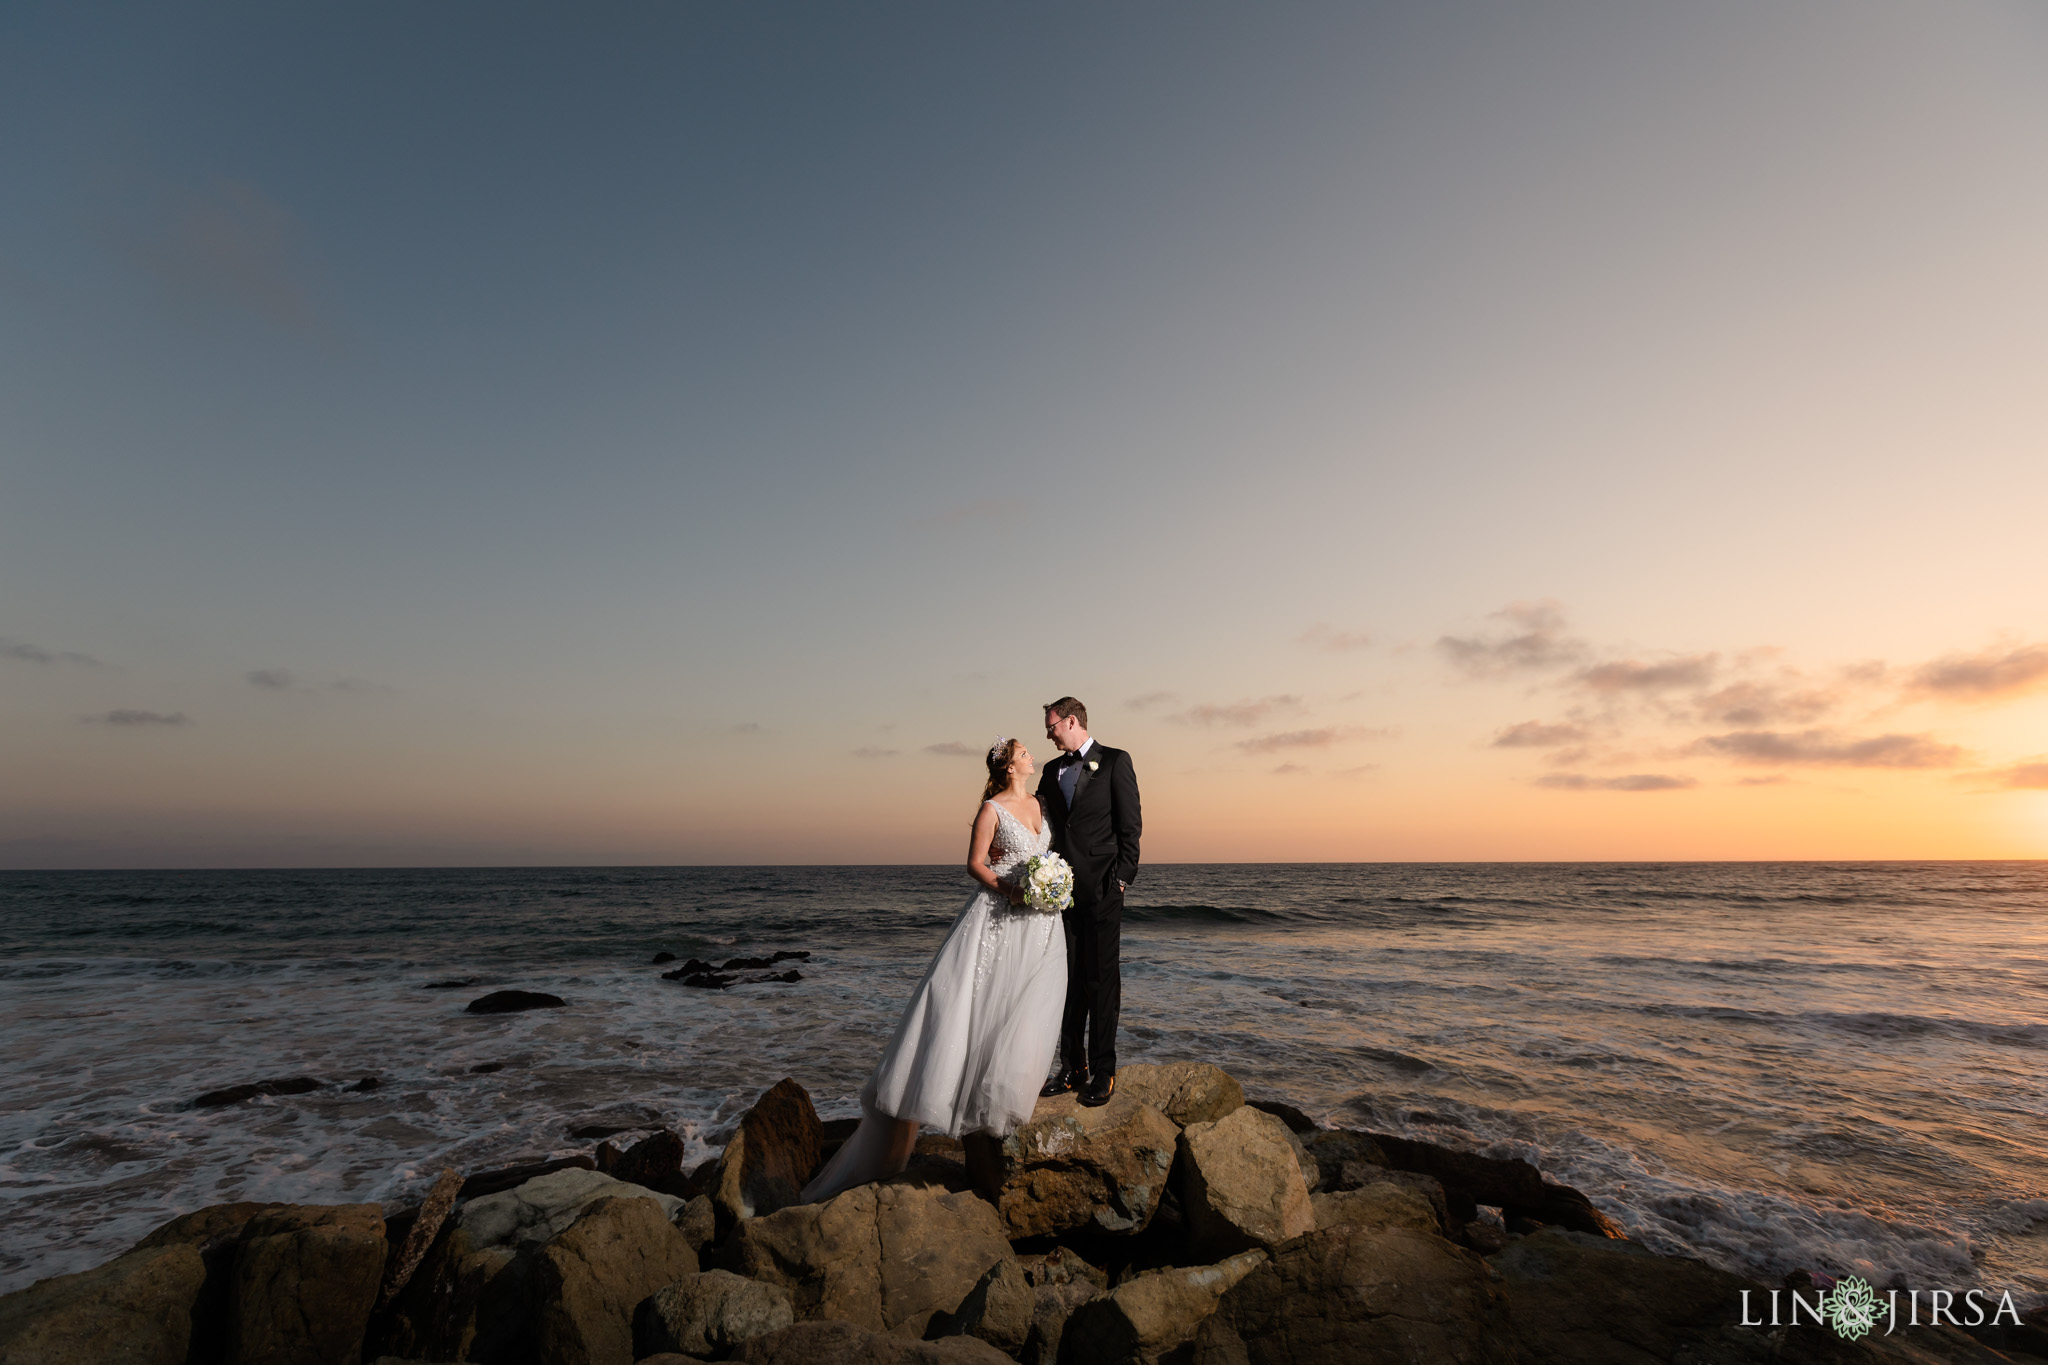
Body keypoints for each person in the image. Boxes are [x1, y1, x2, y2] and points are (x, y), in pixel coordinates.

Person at [800, 736, 1069, 1203]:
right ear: (1008, 766)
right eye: (1023, 752)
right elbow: (974, 865)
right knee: (981, 1003)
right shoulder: (992, 809)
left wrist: (1052, 884)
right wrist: (1013, 890)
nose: (1030, 756)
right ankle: (973, 1100)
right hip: (1002, 918)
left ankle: (1012, 1086)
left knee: (1031, 1002)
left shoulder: (1041, 804)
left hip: (1043, 925)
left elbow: (1043, 857)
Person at [1036, 696, 1142, 1107]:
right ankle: (1072, 1066)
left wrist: (1121, 880)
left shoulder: (1115, 761)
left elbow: (1130, 827)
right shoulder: (1049, 771)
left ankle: (1103, 1070)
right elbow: (1041, 823)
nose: (1048, 733)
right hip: (1059, 895)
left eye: (1052, 725)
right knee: (1067, 983)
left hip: (1102, 890)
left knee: (1101, 983)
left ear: (1072, 720)